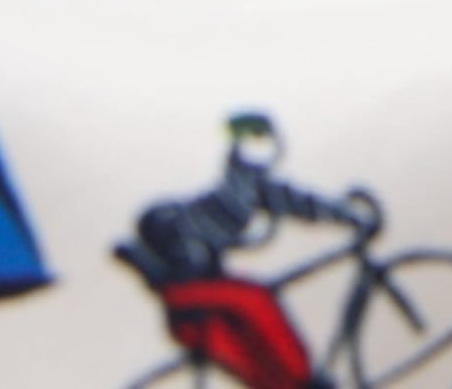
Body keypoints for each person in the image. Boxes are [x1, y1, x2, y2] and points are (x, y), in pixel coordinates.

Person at [115, 112, 381, 389]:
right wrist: (351, 216)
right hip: (188, 293)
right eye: (255, 139)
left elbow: (298, 201)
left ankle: (296, 381)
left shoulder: (250, 185)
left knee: (254, 348)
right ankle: (304, 380)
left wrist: (347, 214)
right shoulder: (237, 190)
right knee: (256, 302)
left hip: (196, 297)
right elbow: (291, 201)